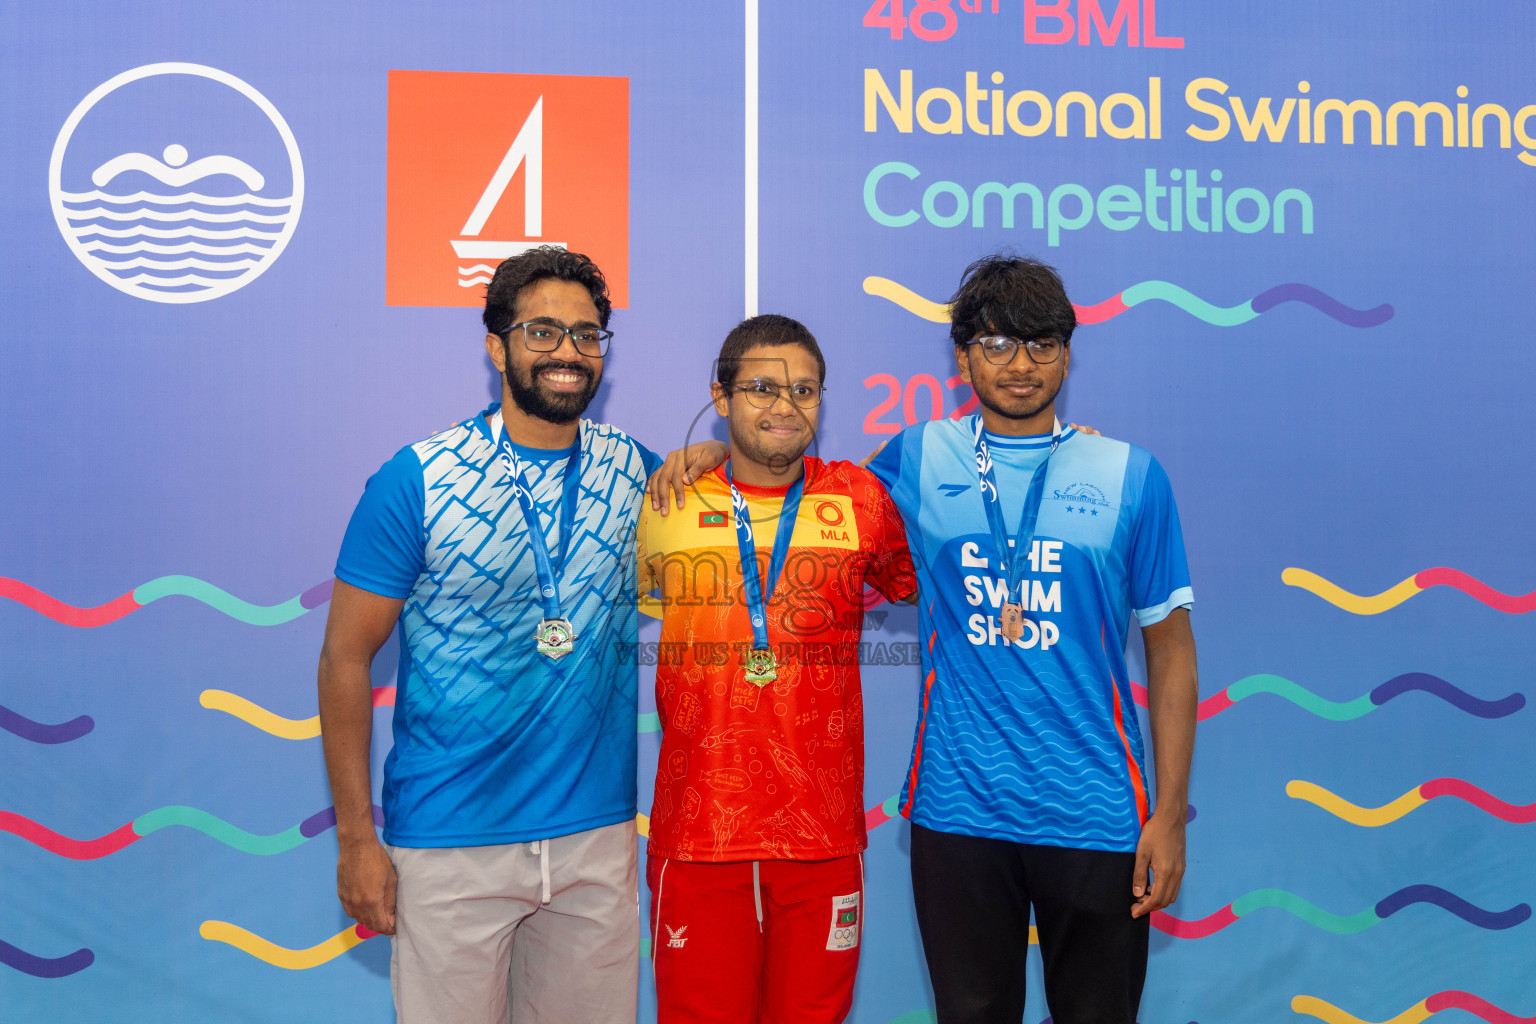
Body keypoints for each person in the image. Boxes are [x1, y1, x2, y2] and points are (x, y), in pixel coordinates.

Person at [317, 246, 720, 1024]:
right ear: (496, 345)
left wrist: (711, 455)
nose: (569, 351)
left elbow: (738, 501)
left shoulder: (639, 473)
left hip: (594, 840)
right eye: (543, 331)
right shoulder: (419, 479)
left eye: (587, 334)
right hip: (449, 841)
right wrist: (357, 841)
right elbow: (343, 659)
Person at [864, 254, 1199, 1024]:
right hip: (958, 812)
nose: (1021, 365)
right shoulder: (913, 459)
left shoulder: (1130, 474)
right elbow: (803, 504)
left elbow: (1171, 650)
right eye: (997, 344)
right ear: (961, 356)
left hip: (1097, 813)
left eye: (1042, 343)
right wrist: (711, 456)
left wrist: (1170, 816)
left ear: (1069, 352)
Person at [638, 314, 918, 1024]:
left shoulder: (861, 501)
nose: (785, 405)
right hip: (699, 838)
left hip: (820, 839)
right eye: (761, 387)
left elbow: (947, 551)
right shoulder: (662, 499)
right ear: (721, 396)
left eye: (805, 389)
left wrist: (1056, 457)